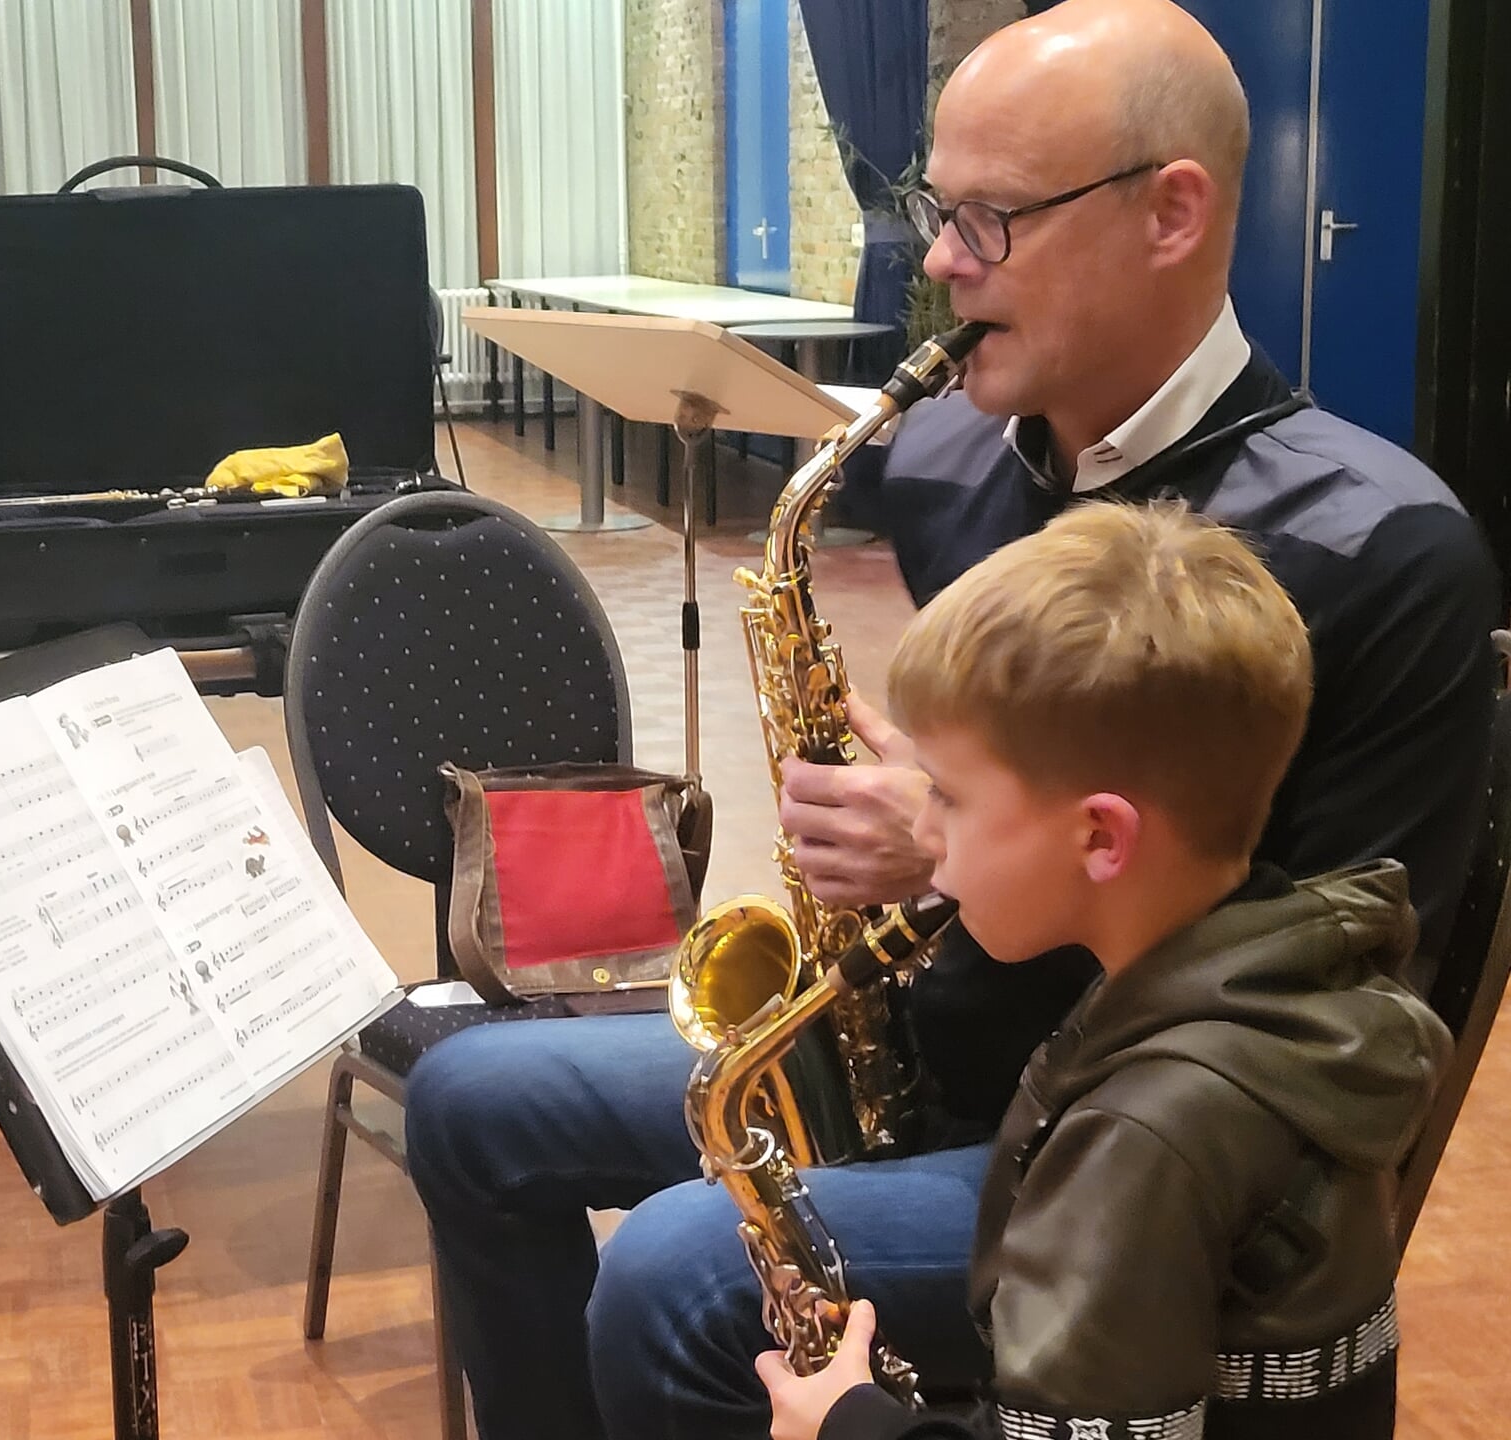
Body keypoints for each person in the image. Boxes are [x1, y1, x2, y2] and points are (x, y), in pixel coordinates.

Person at [402, 3, 1499, 1437]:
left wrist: (951, 843)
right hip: (920, 1042)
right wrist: (918, 798)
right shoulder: (948, 471)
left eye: (988, 219)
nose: (933, 262)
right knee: (471, 1101)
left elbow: (1354, 1007)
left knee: (675, 1274)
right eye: (935, 207)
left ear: (1172, 214)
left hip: (1133, 1137)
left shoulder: (1385, 551)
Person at [756, 500, 1446, 1440]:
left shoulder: (1147, 1131)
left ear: (1099, 835)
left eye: (949, 799)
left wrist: (850, 1425)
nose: (919, 832)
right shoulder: (1285, 988)